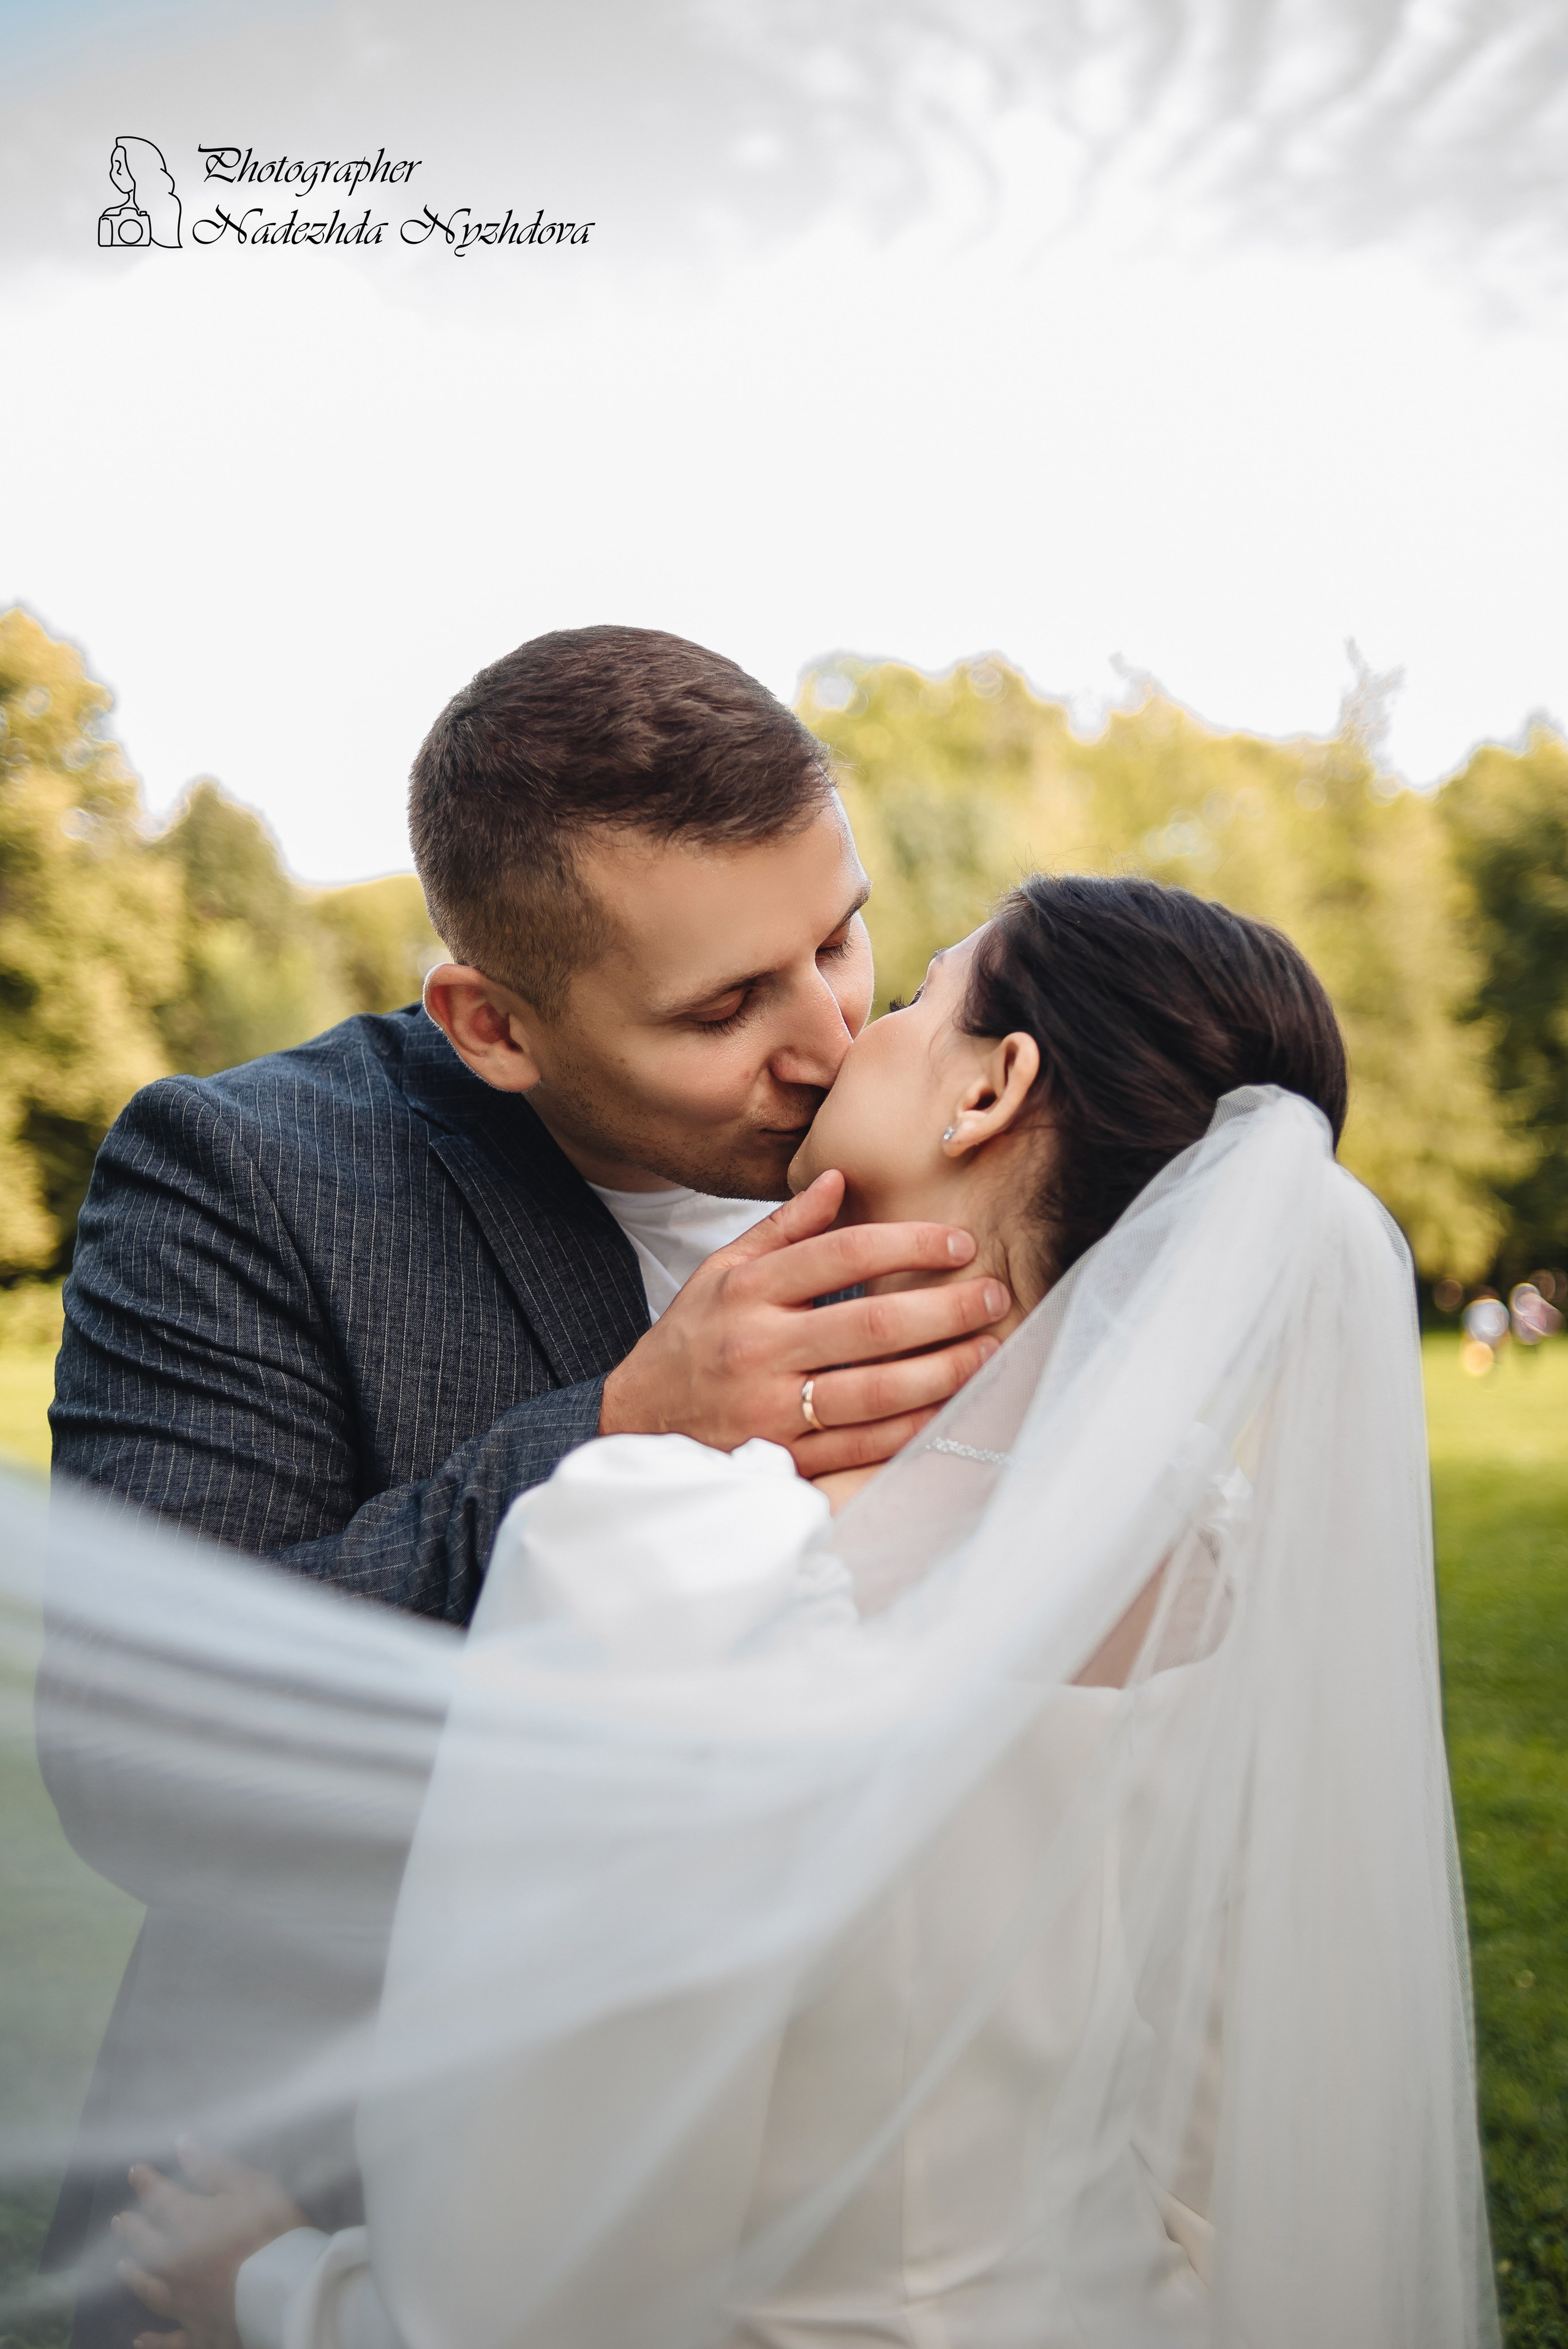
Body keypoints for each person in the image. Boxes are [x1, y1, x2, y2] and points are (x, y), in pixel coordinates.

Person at [89, 880, 1496, 2349]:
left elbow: (537, 2277)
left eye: (904, 995)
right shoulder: (1214, 1559)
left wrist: (273, 2287)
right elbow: (1231, 2129)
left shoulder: (671, 1553)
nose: (837, 1035)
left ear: (989, 1089)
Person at [44, 626, 1009, 2347]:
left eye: (842, 932)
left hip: (856, 2170)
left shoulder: (947, 1133)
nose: (828, 1032)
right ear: (490, 1023)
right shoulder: (242, 1178)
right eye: (726, 1006)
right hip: (332, 2192)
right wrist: (625, 1428)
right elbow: (138, 1757)